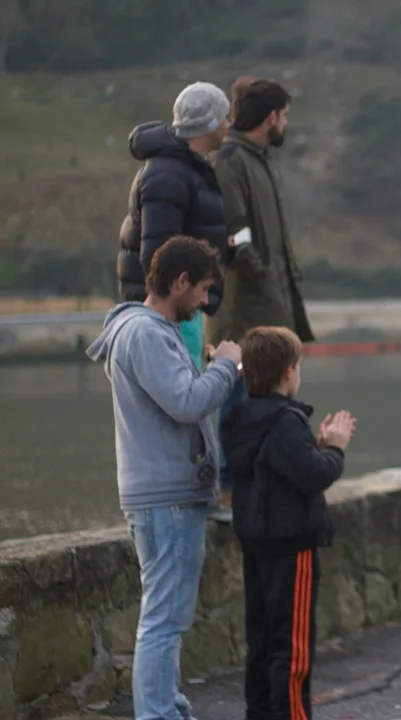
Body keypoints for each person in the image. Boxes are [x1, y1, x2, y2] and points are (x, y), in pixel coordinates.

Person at [86, 236, 242, 720]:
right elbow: (187, 403)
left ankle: (168, 708)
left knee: (168, 618)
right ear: (180, 282)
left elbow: (179, 396)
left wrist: (211, 370)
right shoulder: (146, 334)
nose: (205, 301)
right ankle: (157, 714)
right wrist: (226, 366)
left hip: (164, 496)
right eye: (202, 289)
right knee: (163, 621)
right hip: (166, 499)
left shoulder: (147, 330)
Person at [221, 326, 355, 720]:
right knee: (292, 647)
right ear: (287, 372)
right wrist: (335, 449)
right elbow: (312, 475)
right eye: (298, 365)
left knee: (261, 644)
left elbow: (279, 466)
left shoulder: (239, 417)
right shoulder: (284, 421)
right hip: (291, 545)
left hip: (256, 541)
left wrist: (315, 447)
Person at [208, 75, 316, 520]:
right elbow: (236, 232)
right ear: (271, 117)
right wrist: (261, 271)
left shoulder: (258, 161)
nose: (286, 123)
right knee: (237, 395)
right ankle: (228, 487)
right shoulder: (232, 161)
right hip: (244, 306)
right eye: (284, 115)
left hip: (268, 300)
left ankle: (258, 482)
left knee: (265, 397)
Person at [117, 82, 233, 369]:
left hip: (183, 304)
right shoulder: (168, 175)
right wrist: (175, 308)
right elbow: (159, 254)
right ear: (210, 124)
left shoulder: (185, 170)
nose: (228, 125)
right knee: (183, 389)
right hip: (173, 312)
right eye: (223, 117)